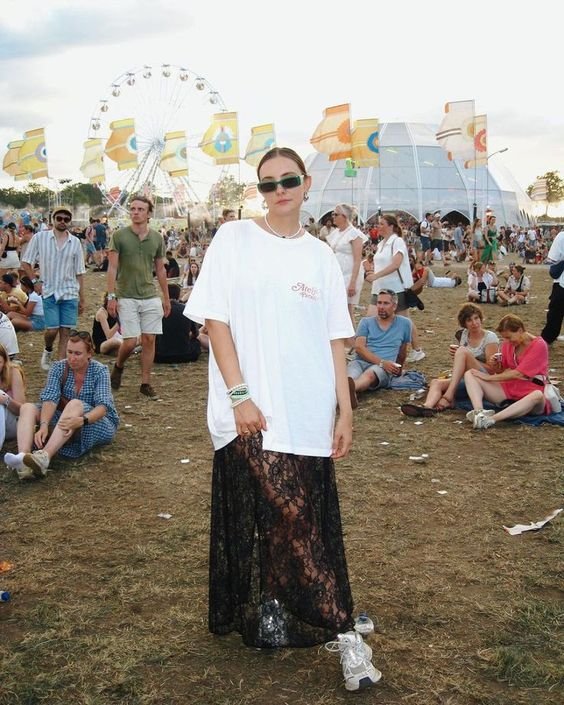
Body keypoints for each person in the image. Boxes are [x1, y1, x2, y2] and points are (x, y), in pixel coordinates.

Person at [184, 147, 379, 690]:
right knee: (291, 514)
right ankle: (343, 630)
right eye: (267, 184)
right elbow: (216, 320)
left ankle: (275, 605)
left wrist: (344, 408)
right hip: (248, 410)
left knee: (294, 514)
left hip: (308, 408)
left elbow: (336, 340)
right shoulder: (234, 239)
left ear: (306, 183)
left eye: (288, 180)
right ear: (259, 191)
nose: (279, 190)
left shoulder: (321, 256)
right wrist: (240, 394)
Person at [4, 330, 119, 480]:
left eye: (77, 354)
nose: (72, 358)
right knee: (27, 407)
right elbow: (51, 398)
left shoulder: (99, 370)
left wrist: (82, 420)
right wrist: (44, 425)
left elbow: (103, 407)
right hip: (65, 419)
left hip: (94, 421)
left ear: (89, 353)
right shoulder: (59, 367)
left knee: (75, 404)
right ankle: (23, 459)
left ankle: (45, 456)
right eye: (69, 352)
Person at [106, 195, 171, 399]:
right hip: (126, 294)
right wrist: (111, 296)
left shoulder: (157, 238)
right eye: (133, 209)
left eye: (140, 209)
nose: (135, 212)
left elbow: (160, 270)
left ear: (149, 213)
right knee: (131, 341)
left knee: (150, 339)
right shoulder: (119, 236)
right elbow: (112, 267)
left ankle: (145, 382)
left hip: (149, 294)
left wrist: (166, 297)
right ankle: (119, 365)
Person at [400, 303, 499, 416]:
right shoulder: (464, 335)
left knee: (462, 352)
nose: (474, 323)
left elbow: (492, 370)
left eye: (476, 318)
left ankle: (448, 396)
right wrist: (459, 358)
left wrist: (467, 358)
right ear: (464, 323)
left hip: (483, 379)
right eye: (469, 320)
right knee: (436, 382)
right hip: (465, 378)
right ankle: (427, 408)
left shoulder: (489, 338)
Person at [21, 205, 85, 370]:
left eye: (66, 219)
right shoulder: (40, 238)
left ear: (69, 221)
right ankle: (48, 348)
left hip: (70, 291)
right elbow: (26, 261)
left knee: (66, 331)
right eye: (59, 218)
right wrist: (35, 282)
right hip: (49, 290)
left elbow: (79, 272)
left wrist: (82, 297)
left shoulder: (75, 242)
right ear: (53, 220)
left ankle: (60, 366)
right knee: (52, 330)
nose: (63, 221)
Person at [464, 314, 551, 429]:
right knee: (470, 374)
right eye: (504, 338)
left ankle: (490, 420)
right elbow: (502, 371)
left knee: (537, 395)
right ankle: (479, 412)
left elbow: (518, 373)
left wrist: (488, 378)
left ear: (520, 330)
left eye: (509, 337)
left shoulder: (539, 345)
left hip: (531, 391)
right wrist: (495, 365)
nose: (507, 341)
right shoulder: (508, 344)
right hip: (510, 389)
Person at [366, 214, 425, 362]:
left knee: (404, 320)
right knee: (370, 317)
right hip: (379, 288)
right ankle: (368, 349)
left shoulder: (397, 242)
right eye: (378, 224)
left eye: (381, 224)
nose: (378, 227)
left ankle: (417, 349)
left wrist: (376, 275)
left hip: (395, 287)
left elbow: (395, 264)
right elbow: (381, 264)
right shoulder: (381, 244)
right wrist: (370, 271)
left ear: (391, 226)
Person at [347, 289, 411, 408]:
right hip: (361, 361)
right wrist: (381, 362)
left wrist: (398, 369)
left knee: (370, 375)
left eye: (386, 303)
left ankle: (349, 391)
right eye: (379, 303)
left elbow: (402, 351)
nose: (381, 307)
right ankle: (349, 393)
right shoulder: (366, 322)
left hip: (383, 368)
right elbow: (359, 347)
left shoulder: (405, 324)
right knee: (350, 376)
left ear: (394, 306)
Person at [326, 204, 367, 344]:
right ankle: (348, 341)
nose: (333, 217)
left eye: (335, 214)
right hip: (338, 274)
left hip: (350, 275)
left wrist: (352, 283)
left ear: (344, 217)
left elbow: (357, 260)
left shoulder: (354, 234)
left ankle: (352, 342)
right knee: (341, 308)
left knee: (346, 309)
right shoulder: (336, 233)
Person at [154, 284, 201, 364]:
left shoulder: (157, 311)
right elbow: (196, 334)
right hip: (185, 355)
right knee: (196, 342)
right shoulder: (186, 310)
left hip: (161, 356)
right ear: (178, 295)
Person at [0, 343, 26, 452]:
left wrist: (5, 400)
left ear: (5, 361)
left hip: (13, 423)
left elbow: (23, 411)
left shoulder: (13, 372)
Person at [541, 227, 564, 344]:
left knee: (556, 312)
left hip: (562, 283)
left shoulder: (561, 236)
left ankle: (548, 337)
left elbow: (552, 260)